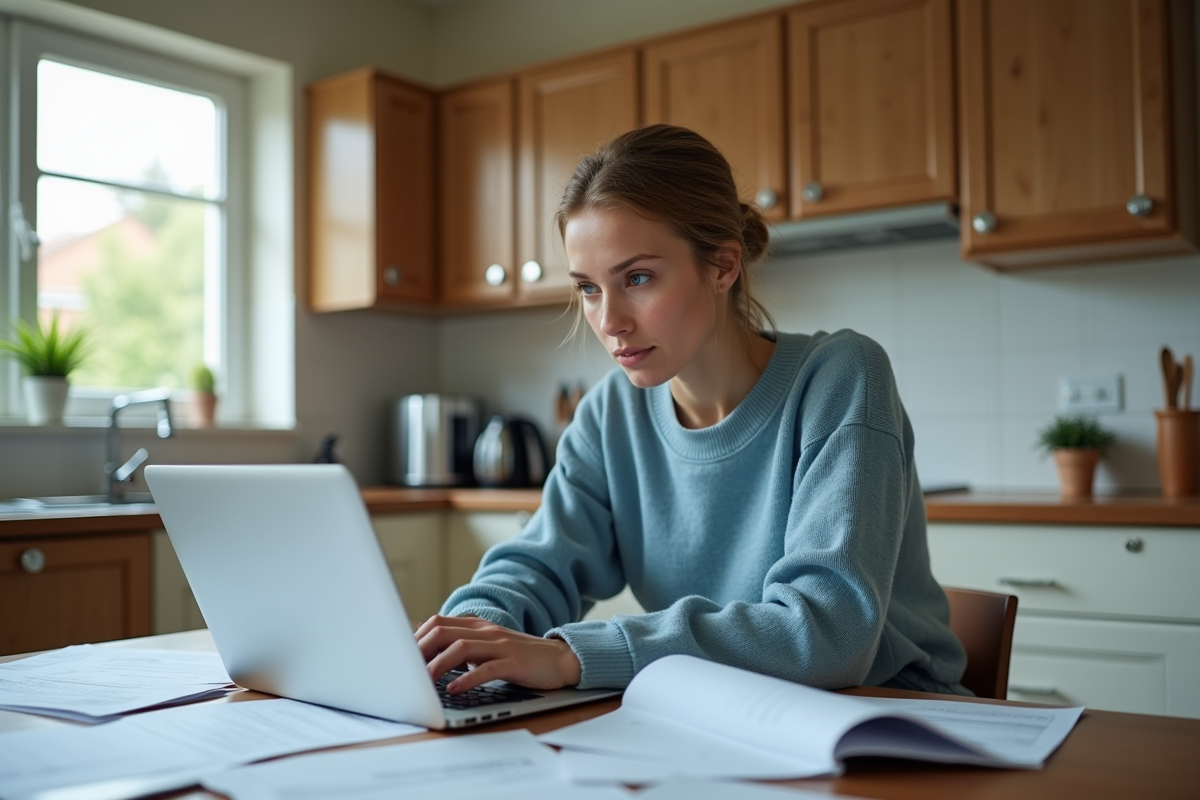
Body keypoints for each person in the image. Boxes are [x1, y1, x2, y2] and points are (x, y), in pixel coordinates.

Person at [416, 124, 969, 697]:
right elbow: (535, 567)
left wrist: (571, 656)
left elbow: (827, 634)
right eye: (588, 288)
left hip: (892, 719)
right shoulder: (612, 413)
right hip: (718, 711)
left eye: (637, 278)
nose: (610, 323)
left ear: (723, 266)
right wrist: (467, 636)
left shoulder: (840, 377)